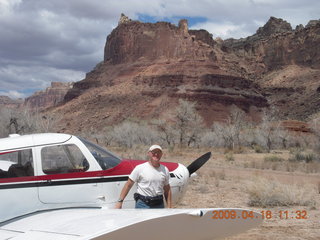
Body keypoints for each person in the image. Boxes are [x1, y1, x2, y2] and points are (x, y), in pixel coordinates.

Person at [115, 145, 172, 209]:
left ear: (161, 154)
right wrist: (120, 201)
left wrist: (169, 206)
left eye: (159, 152)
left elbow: (167, 189)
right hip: (143, 204)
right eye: (154, 152)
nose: (156, 154)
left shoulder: (165, 169)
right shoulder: (140, 168)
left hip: (159, 204)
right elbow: (128, 185)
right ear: (148, 153)